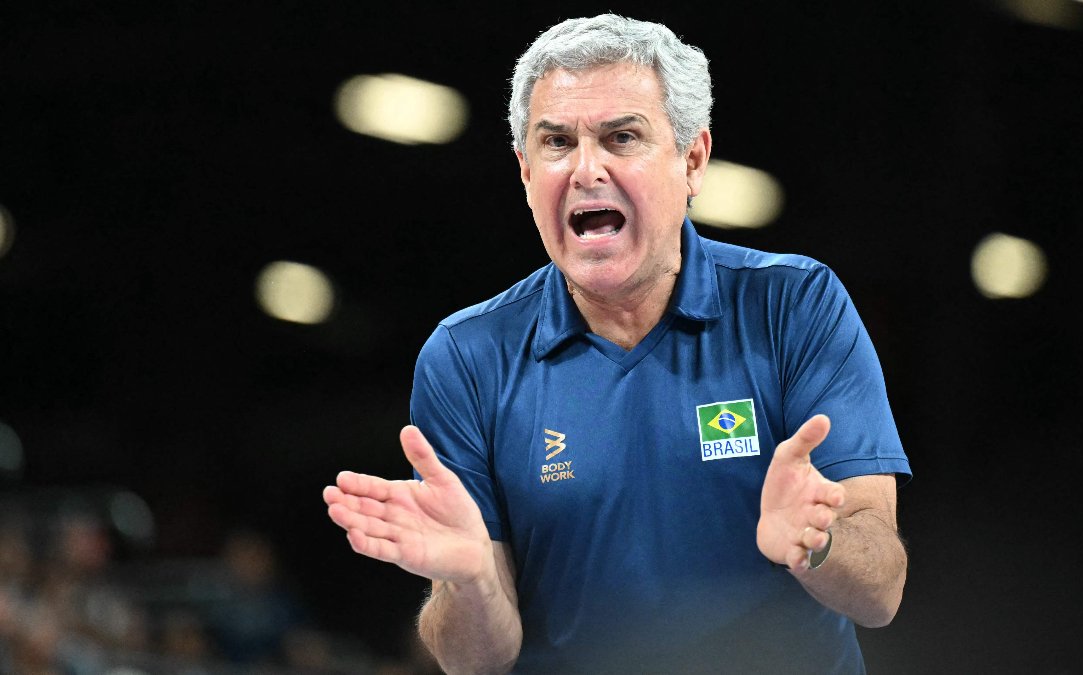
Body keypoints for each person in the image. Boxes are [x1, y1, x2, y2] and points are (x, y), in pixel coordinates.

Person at [325, 13, 911, 674]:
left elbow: (881, 592)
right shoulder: (466, 357)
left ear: (693, 160)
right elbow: (474, 661)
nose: (586, 169)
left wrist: (818, 541)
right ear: (525, 171)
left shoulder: (794, 306)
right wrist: (472, 583)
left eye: (621, 137)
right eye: (556, 142)